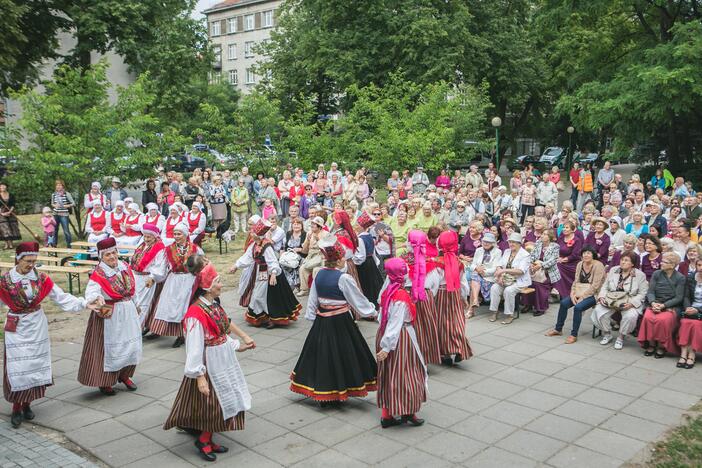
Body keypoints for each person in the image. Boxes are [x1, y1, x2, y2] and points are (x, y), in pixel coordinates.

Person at [1, 242, 99, 428]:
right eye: (28, 261)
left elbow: (61, 298)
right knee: (19, 367)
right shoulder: (5, 281)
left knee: (35, 365)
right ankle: (16, 407)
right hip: (17, 327)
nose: (31, 264)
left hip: (37, 325)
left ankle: (27, 404)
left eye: (34, 260)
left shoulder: (41, 279)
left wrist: (84, 303)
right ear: (18, 258)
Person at [163, 263, 254, 462]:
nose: (221, 284)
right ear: (207, 287)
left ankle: (206, 437)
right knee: (214, 404)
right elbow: (194, 348)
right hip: (208, 364)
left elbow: (221, 333)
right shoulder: (196, 313)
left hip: (222, 360)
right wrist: (200, 376)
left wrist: (238, 345)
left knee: (218, 401)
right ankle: (203, 440)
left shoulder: (213, 304)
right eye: (218, 281)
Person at [290, 236, 378, 404]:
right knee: (344, 354)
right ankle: (340, 388)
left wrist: (311, 316)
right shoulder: (343, 278)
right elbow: (357, 300)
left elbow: (313, 299)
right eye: (343, 257)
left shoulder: (320, 274)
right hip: (340, 322)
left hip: (322, 321)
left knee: (323, 354)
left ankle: (324, 389)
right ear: (338, 262)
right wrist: (372, 312)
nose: (344, 260)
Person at [78, 238, 142, 396]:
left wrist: (137, 305)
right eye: (108, 255)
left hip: (127, 310)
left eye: (114, 252)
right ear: (101, 256)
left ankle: (124, 375)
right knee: (109, 347)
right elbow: (92, 291)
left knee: (130, 345)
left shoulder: (124, 266)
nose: (112, 257)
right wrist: (96, 298)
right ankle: (105, 381)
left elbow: (134, 287)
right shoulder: (99, 273)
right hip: (109, 311)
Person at [376, 258, 427, 428]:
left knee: (389, 374)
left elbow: (381, 315)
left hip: (385, 334)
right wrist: (387, 346)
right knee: (407, 374)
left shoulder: (387, 290)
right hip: (399, 338)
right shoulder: (400, 295)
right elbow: (395, 323)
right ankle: (408, 412)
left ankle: (387, 415)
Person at [231, 219, 301, 328]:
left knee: (269, 297)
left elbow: (272, 261)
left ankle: (272, 318)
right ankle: (263, 316)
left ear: (258, 235)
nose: (251, 233)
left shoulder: (266, 246)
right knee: (258, 295)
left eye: (253, 232)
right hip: (259, 272)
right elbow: (248, 257)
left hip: (269, 274)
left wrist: (273, 274)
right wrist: (236, 265)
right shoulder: (254, 244)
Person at [148, 222, 203, 347]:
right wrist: (153, 277)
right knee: (170, 305)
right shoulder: (167, 250)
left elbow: (202, 263)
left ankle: (182, 334)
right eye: (175, 234)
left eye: (179, 234)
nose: (176, 236)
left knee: (185, 306)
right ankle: (173, 332)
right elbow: (160, 266)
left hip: (189, 280)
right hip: (174, 280)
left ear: (185, 234)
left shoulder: (195, 248)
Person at [546, 245, 606, 343]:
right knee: (564, 303)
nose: (586, 255)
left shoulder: (598, 265)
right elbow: (575, 281)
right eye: (584, 253)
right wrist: (572, 294)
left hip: (594, 294)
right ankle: (558, 329)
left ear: (593, 255)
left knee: (578, 307)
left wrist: (582, 297)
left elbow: (595, 286)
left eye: (588, 253)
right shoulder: (580, 264)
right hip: (579, 291)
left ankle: (574, 334)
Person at [429, 230, 473, 364]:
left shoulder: (436, 262)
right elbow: (463, 283)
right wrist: (464, 297)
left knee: (441, 324)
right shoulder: (459, 262)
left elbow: (433, 284)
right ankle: (459, 346)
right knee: (456, 322)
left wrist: (431, 297)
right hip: (455, 295)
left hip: (440, 295)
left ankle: (445, 354)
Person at [591, 251, 648, 349]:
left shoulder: (640, 275)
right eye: (622, 260)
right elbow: (605, 286)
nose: (623, 262)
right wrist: (601, 297)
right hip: (611, 299)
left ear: (633, 263)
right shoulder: (614, 270)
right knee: (599, 310)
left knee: (630, 315)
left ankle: (621, 337)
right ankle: (607, 334)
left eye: (626, 260)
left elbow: (643, 293)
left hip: (629, 300)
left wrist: (632, 303)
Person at [403, 230, 441, 364]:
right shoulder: (429, 263)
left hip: (405, 299)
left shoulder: (402, 261)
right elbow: (435, 284)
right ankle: (424, 357)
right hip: (425, 297)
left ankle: (409, 357)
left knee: (407, 328)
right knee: (425, 328)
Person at [638, 252, 686, 358]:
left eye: (664, 262)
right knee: (648, 317)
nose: (661, 263)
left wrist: (664, 305)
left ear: (672, 265)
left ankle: (661, 346)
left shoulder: (680, 278)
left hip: (670, 305)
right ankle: (651, 344)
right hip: (655, 303)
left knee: (662, 320)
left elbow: (679, 297)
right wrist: (653, 302)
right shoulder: (657, 274)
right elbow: (650, 292)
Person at [489, 233, 532, 325]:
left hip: (519, 281)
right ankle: (494, 312)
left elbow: (520, 271)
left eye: (514, 242)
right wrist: (500, 276)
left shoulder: (525, 255)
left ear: (520, 243)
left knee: (508, 291)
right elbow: (499, 265)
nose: (511, 244)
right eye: (510, 242)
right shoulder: (507, 251)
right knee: (494, 288)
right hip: (505, 279)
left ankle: (509, 315)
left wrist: (503, 271)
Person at [131, 223, 167, 331]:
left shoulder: (159, 248)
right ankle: (132, 327)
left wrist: (152, 277)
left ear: (154, 236)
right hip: (136, 277)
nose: (146, 239)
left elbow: (160, 265)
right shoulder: (142, 245)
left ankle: (137, 329)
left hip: (147, 279)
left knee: (143, 304)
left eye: (149, 237)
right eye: (145, 236)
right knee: (135, 302)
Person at [522, 229, 560, 317]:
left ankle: (540, 308)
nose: (542, 236)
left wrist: (541, 265)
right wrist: (531, 263)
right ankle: (528, 304)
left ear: (550, 237)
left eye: (545, 234)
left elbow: (553, 260)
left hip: (547, 270)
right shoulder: (538, 243)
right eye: (542, 234)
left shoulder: (555, 246)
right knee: (528, 283)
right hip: (535, 266)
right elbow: (532, 255)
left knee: (539, 285)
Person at [468, 232, 501, 318]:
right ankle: (474, 302)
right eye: (484, 241)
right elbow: (472, 265)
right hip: (478, 274)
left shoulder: (498, 252)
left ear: (493, 243)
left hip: (490, 277)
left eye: (488, 242)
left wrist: (483, 272)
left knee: (474, 280)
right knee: (475, 277)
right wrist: (476, 268)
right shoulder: (479, 250)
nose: (486, 243)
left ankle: (472, 308)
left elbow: (495, 268)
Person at [355, 211, 384, 308]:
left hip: (365, 264)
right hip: (371, 262)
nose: (355, 226)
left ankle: (369, 306)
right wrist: (375, 262)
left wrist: (354, 261)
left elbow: (361, 256)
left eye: (357, 224)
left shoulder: (360, 239)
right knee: (373, 284)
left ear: (361, 226)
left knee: (366, 285)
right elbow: (373, 252)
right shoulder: (369, 236)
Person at [678, 258, 702, 369]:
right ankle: (683, 354)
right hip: (690, 309)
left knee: (696, 325)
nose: (701, 268)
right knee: (685, 322)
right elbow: (686, 296)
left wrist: (698, 310)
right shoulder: (691, 278)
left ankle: (692, 354)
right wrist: (688, 307)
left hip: (700, 311)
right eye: (699, 265)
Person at [555, 220, 583, 298]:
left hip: (572, 263)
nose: (564, 229)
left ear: (572, 230)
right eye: (564, 227)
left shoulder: (577, 240)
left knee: (557, 266)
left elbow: (575, 255)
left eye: (567, 228)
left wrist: (563, 259)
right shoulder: (561, 238)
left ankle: (561, 292)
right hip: (560, 260)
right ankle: (556, 289)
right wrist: (558, 257)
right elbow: (556, 248)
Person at [50, 179, 74, 247]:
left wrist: (66, 205)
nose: (58, 186)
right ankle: (54, 246)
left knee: (66, 231)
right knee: (55, 231)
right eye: (57, 185)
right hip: (55, 214)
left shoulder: (66, 194)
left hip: (64, 214)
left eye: (60, 185)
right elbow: (52, 203)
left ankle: (69, 246)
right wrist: (55, 205)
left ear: (63, 186)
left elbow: (73, 203)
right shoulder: (54, 194)